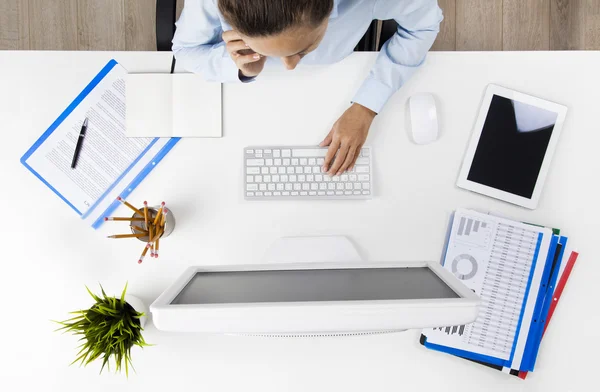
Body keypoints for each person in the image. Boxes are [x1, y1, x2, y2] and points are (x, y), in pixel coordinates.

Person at [173, 0, 442, 175]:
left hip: (339, 78)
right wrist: (242, 68)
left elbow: (424, 25)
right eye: (264, 48)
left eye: (302, 50)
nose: (290, 67)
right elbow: (186, 50)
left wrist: (368, 105)